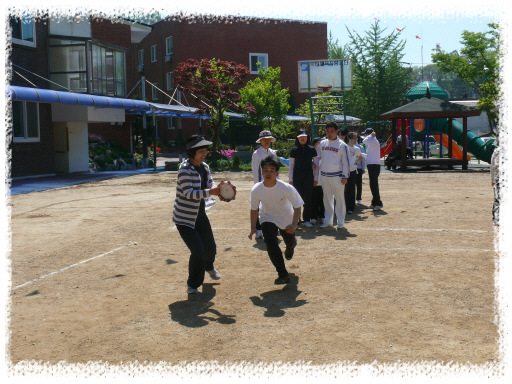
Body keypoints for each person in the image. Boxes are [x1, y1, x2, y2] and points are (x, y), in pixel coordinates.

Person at [173, 135, 222, 294]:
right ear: (192, 152)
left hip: (199, 216)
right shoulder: (184, 170)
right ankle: (193, 284)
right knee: (198, 252)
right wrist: (210, 192)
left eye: (205, 150)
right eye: (201, 151)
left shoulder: (204, 167)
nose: (204, 153)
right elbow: (188, 193)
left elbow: (210, 184)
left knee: (211, 249)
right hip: (184, 219)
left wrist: (220, 190)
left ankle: (209, 266)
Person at [249, 156, 303, 284]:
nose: (268, 173)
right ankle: (282, 274)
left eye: (272, 170)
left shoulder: (285, 188)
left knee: (289, 242)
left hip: (285, 218)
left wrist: (294, 224)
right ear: (261, 172)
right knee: (270, 242)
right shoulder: (256, 189)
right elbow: (254, 210)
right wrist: (253, 228)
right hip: (267, 217)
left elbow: (297, 205)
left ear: (277, 173)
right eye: (265, 169)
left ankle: (291, 246)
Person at [317, 122, 350, 229]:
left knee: (339, 199)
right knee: (326, 199)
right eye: (328, 131)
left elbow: (346, 162)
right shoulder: (322, 144)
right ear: (325, 131)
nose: (330, 133)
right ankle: (328, 221)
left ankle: (340, 222)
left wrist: (345, 176)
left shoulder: (342, 145)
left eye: (332, 131)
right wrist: (314, 164)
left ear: (337, 132)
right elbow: (317, 158)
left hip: (338, 176)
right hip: (324, 176)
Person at [289, 129, 320, 228]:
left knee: (308, 200)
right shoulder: (294, 150)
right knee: (296, 200)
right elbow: (291, 166)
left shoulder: (312, 149)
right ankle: (296, 221)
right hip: (297, 178)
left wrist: (316, 178)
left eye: (304, 136)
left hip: (308, 178)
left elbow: (317, 165)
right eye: (300, 136)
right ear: (297, 138)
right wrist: (291, 180)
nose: (302, 138)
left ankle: (307, 219)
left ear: (307, 137)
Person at [251, 130, 279, 239]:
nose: (267, 141)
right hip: (262, 184)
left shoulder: (273, 153)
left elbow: (276, 169)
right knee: (259, 208)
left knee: (272, 206)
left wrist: (278, 183)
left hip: (273, 185)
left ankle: (272, 228)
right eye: (264, 139)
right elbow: (255, 171)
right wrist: (257, 186)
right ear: (260, 141)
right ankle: (258, 229)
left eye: (268, 139)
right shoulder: (256, 154)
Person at [362, 128, 383, 211]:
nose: (365, 136)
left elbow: (364, 141)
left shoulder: (373, 141)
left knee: (374, 185)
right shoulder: (372, 143)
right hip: (371, 165)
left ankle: (378, 203)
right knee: (372, 184)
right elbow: (369, 156)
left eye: (366, 134)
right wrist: (361, 154)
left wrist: (371, 135)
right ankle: (374, 203)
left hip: (374, 165)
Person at [345, 132, 363, 214]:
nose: (356, 140)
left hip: (353, 171)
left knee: (352, 189)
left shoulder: (357, 149)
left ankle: (351, 207)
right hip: (344, 171)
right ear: (349, 139)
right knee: (344, 189)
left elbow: (360, 157)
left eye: (357, 138)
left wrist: (356, 161)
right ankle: (344, 206)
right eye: (354, 138)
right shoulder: (344, 147)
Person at [310, 137, 325, 224]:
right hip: (313, 182)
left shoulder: (325, 155)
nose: (319, 145)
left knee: (322, 200)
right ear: (313, 145)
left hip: (323, 182)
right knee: (313, 199)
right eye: (318, 143)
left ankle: (322, 215)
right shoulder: (310, 154)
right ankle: (313, 216)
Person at [490, 139, 500, 226]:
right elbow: (493, 166)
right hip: (499, 179)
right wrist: (493, 180)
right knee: (498, 199)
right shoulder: (498, 151)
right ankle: (496, 218)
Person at [354, 135, 366, 204]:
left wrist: (363, 168)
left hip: (359, 168)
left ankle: (358, 198)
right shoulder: (348, 146)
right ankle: (353, 198)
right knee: (352, 185)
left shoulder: (360, 147)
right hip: (352, 168)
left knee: (358, 184)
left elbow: (363, 159)